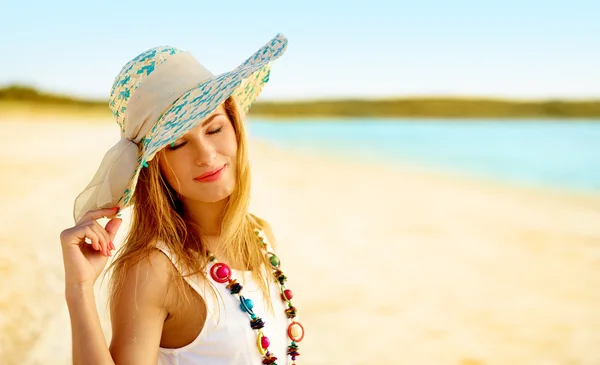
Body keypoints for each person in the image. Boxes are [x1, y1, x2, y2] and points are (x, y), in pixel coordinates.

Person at [59, 33, 305, 365]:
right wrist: (79, 289)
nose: (206, 155)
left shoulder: (260, 234)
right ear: (155, 165)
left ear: (234, 127)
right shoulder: (153, 269)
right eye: (176, 143)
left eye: (214, 129)